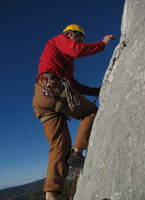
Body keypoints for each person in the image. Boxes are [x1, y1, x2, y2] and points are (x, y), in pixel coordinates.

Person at [32, 24, 115, 200]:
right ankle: (77, 153)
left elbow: (73, 85)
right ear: (70, 33)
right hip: (53, 89)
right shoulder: (59, 40)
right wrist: (103, 44)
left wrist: (97, 91)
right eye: (79, 38)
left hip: (43, 97)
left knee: (59, 148)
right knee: (90, 112)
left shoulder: (64, 61)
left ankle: (51, 194)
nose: (79, 41)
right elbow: (76, 50)